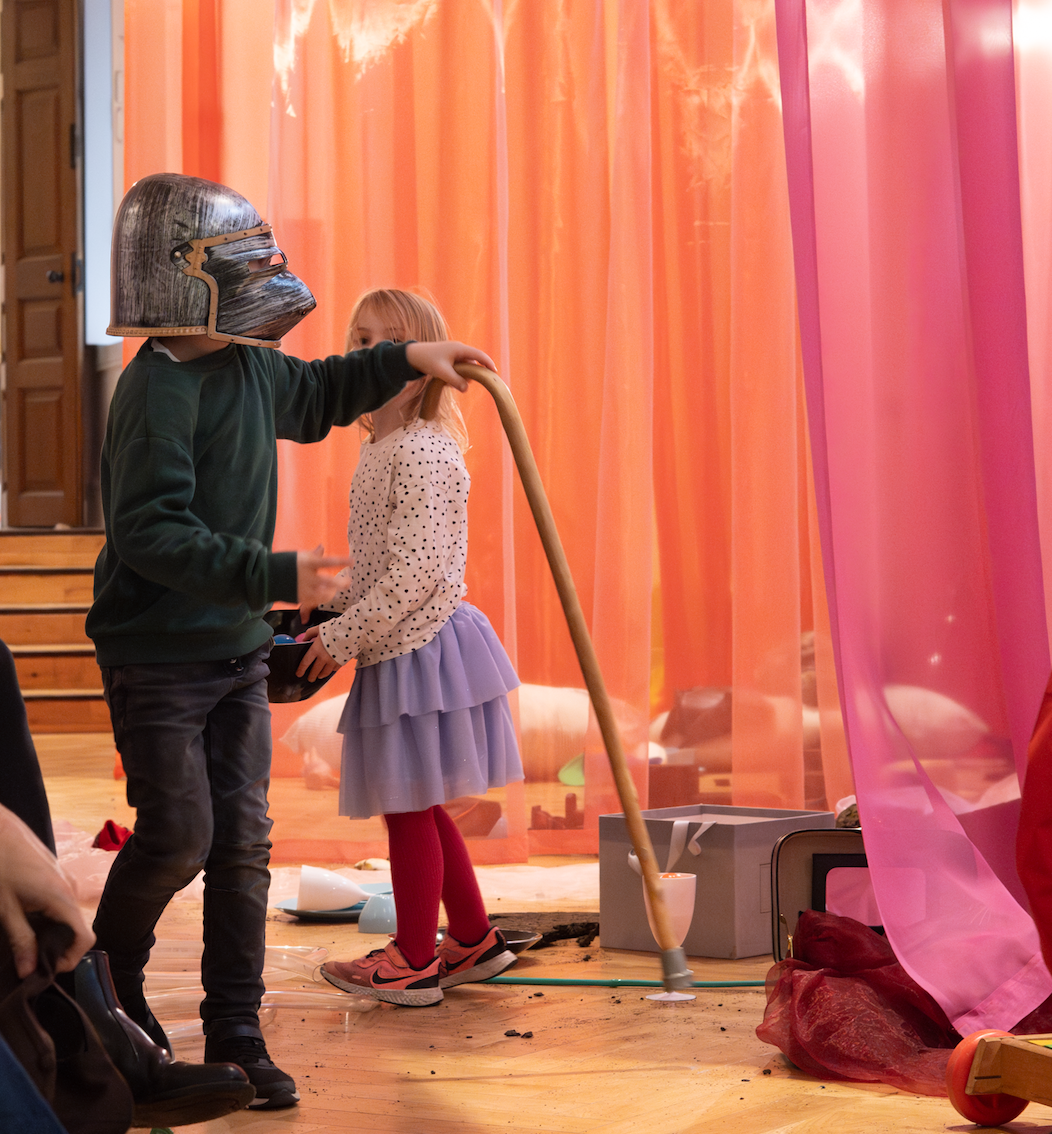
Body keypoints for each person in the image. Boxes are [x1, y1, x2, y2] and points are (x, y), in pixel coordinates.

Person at [87, 176, 496, 1105]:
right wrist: (272, 574)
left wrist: (411, 354)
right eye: (239, 267)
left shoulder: (248, 365)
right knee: (178, 836)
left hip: (233, 652)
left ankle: (237, 1029)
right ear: (187, 278)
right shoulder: (154, 390)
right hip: (157, 656)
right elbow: (148, 534)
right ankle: (105, 994)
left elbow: (320, 392)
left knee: (241, 849)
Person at [295, 288, 524, 1006]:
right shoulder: (382, 447)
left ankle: (414, 961)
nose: (373, 354)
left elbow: (417, 574)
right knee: (420, 803)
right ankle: (472, 938)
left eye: (390, 342)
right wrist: (329, 605)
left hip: (419, 648)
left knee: (407, 808)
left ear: (425, 365)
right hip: (403, 641)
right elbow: (383, 564)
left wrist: (342, 636)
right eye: (362, 340)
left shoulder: (421, 451)